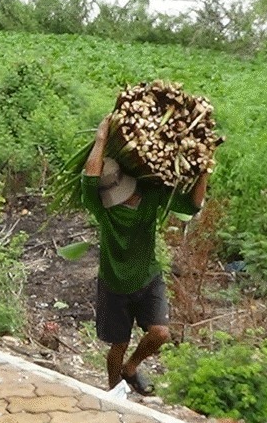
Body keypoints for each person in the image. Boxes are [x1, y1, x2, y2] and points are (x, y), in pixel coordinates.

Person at [81, 115, 209, 396]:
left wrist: (204, 170)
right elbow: (90, 178)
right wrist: (101, 139)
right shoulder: (104, 209)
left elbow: (193, 205)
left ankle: (131, 368)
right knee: (118, 344)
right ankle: (114, 389)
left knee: (160, 333)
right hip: (114, 284)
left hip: (148, 278)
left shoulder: (150, 195)